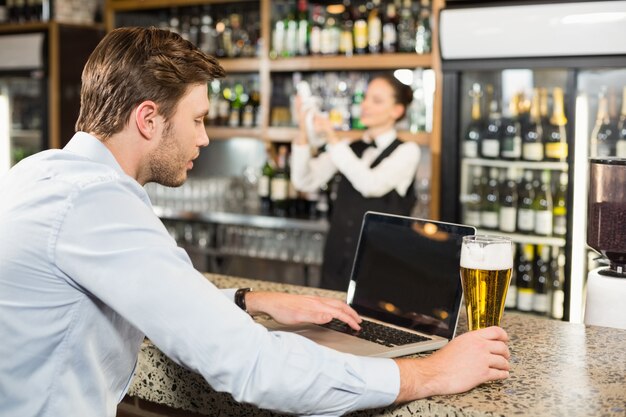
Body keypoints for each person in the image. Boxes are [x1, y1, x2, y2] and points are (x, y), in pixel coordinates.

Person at [0, 27, 510, 417]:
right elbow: (251, 365)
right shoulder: (97, 203)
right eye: (197, 119)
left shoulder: (44, 173)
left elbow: (151, 295)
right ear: (148, 119)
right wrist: (427, 373)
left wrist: (249, 301)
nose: (204, 139)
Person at [291, 74, 421, 291]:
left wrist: (332, 138)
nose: (365, 105)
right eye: (365, 98)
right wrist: (303, 130)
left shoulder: (407, 152)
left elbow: (370, 184)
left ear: (397, 111)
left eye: (376, 100)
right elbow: (304, 181)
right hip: (335, 266)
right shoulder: (349, 147)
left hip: (380, 271)